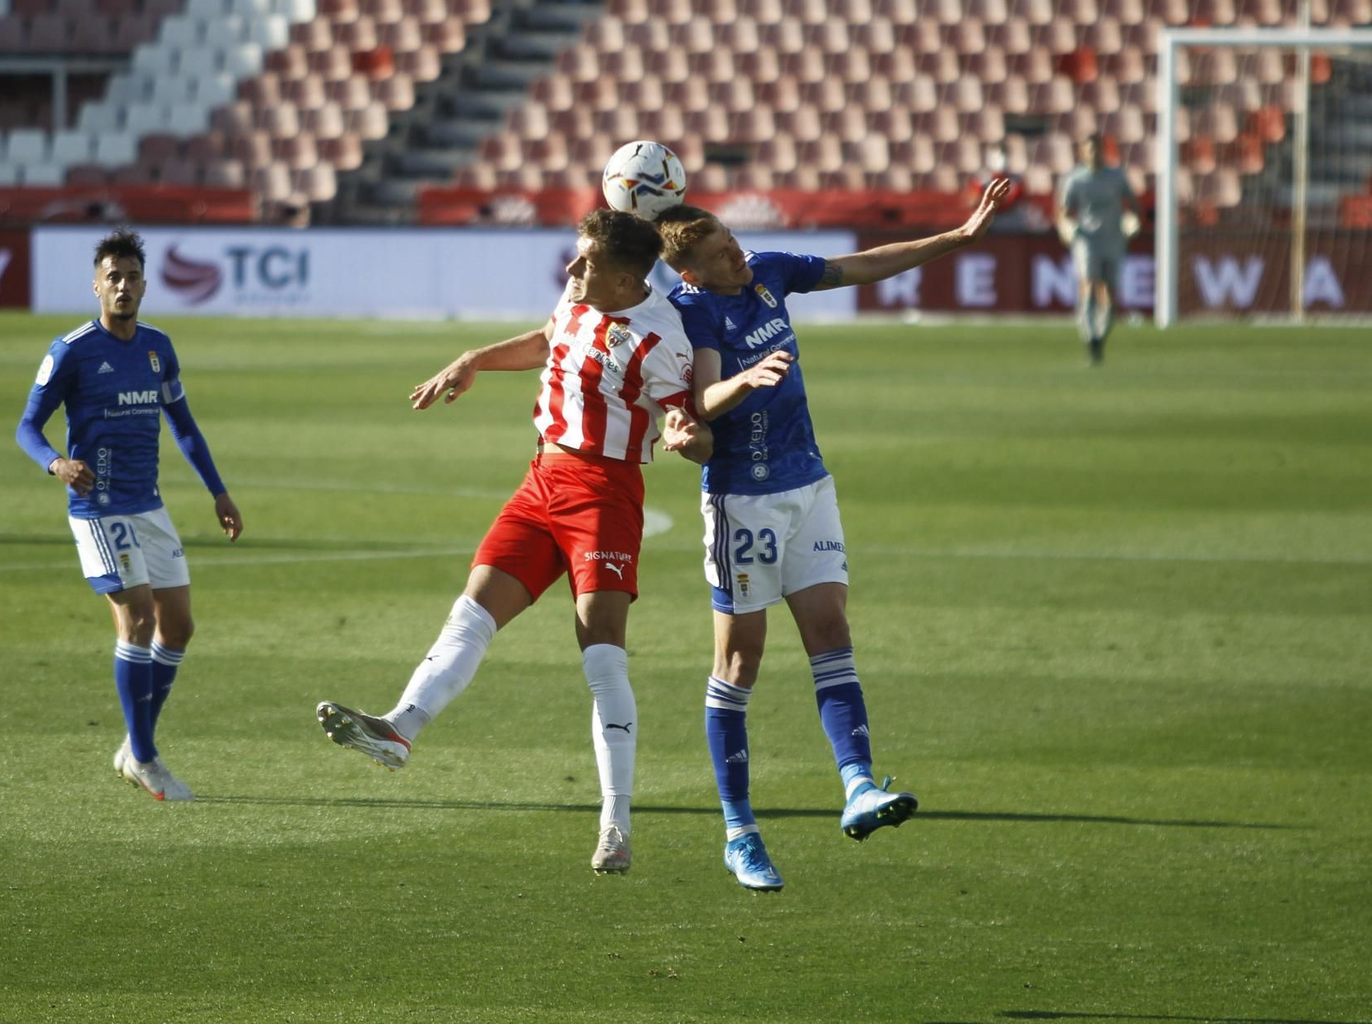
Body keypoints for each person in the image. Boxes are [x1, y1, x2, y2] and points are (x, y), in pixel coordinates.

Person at [315, 209, 711, 874]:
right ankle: (399, 730)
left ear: (623, 279)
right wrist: (473, 359)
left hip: (604, 494)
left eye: (585, 262)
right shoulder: (580, 298)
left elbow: (688, 422)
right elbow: (548, 340)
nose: (571, 269)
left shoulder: (661, 337)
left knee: (601, 653)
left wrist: (685, 436)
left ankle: (616, 823)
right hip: (541, 480)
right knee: (471, 610)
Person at [654, 178, 1011, 892]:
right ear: (690, 272)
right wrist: (749, 381)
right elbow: (702, 399)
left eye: (734, 240)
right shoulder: (692, 313)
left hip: (809, 485)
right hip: (744, 501)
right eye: (722, 255)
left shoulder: (769, 273)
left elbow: (862, 265)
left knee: (831, 632)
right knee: (740, 663)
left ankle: (858, 786)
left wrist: (956, 238)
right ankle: (740, 833)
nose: (738, 255)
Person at [15, 227, 243, 801]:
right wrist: (56, 464)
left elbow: (183, 426)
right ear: (96, 286)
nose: (123, 286)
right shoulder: (71, 350)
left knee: (179, 626)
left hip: (148, 504)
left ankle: (135, 745)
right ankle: (144, 756)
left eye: (132, 277)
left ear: (144, 285)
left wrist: (218, 492)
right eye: (112, 277)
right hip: (97, 506)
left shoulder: (157, 348)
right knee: (138, 618)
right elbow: (27, 427)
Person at [1059, 134, 1142, 365]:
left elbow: (1133, 204)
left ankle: (1100, 337)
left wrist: (1132, 221)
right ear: (1083, 153)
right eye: (1090, 149)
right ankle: (1090, 338)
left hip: (1113, 238)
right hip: (1086, 240)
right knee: (1088, 284)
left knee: (1109, 290)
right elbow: (1064, 212)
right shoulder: (1075, 179)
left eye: (1097, 149)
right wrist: (1066, 229)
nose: (1094, 154)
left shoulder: (1116, 177)